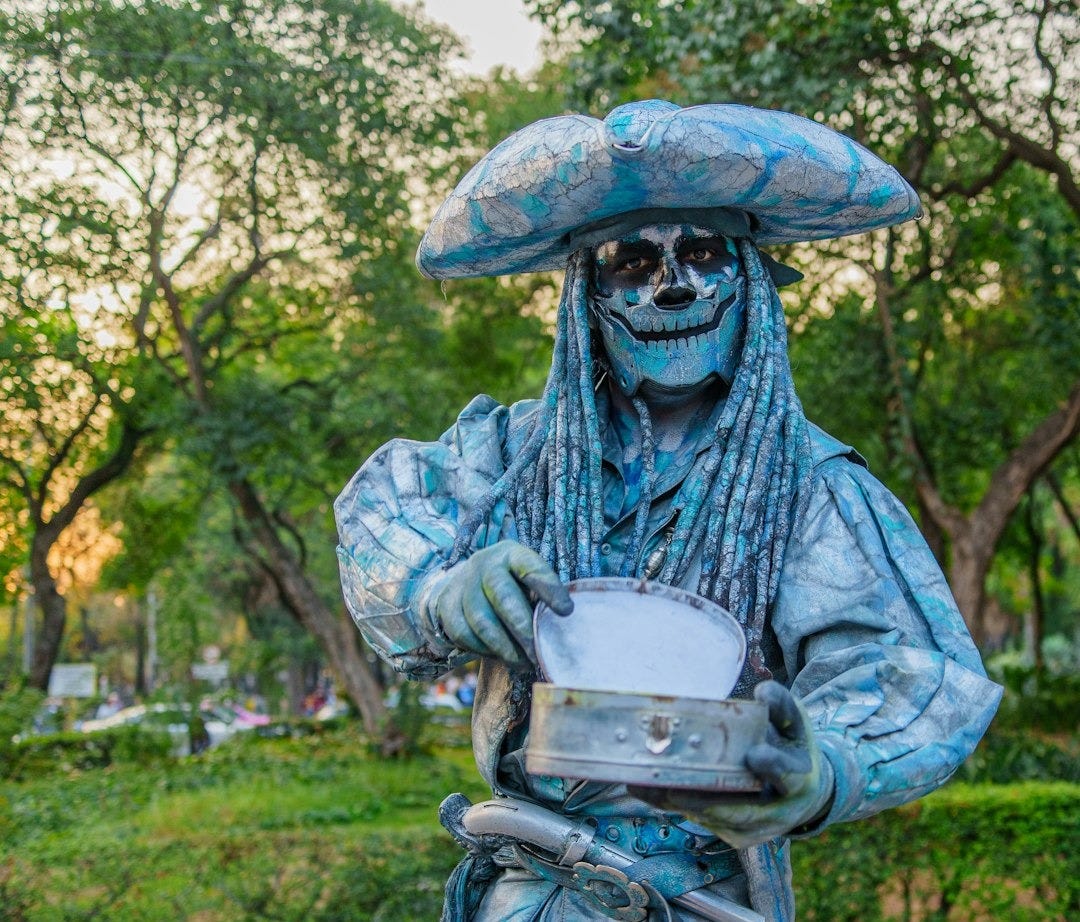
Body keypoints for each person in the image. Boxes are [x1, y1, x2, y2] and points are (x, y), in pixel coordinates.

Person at [335, 101, 1001, 921]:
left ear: (750, 281)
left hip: (701, 900)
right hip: (522, 891)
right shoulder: (512, 457)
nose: (672, 284)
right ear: (586, 296)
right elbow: (384, 510)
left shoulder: (813, 484)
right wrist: (441, 591)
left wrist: (822, 767)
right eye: (629, 261)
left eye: (702, 253)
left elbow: (907, 670)